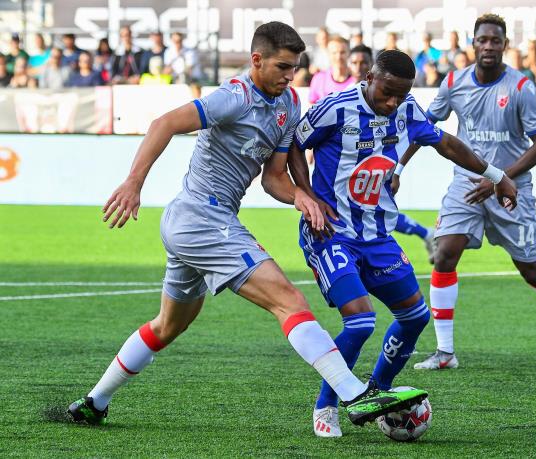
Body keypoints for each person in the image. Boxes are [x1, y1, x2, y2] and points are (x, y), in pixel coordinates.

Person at [66, 21, 427, 428]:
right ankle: (353, 394)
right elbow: (163, 124)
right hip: (201, 217)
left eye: (295, 68)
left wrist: (302, 197)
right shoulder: (233, 97)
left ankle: (95, 401)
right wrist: (134, 183)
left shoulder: (288, 104)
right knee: (289, 300)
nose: (290, 76)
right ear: (257, 60)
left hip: (202, 223)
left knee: (167, 326)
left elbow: (273, 178)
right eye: (282, 67)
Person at [288, 49, 518, 437]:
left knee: (415, 317)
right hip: (331, 233)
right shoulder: (335, 109)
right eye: (387, 93)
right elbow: (296, 143)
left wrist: (497, 175)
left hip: (377, 234)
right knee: (360, 322)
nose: (393, 102)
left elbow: (447, 144)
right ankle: (326, 405)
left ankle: (376, 392)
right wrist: (308, 196)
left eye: (401, 94)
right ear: (369, 78)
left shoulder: (407, 110)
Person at [398, 14, 536, 371]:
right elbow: (424, 127)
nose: (488, 46)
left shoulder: (521, 87)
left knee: (531, 271)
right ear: (473, 44)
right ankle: (445, 353)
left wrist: (501, 178)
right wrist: (398, 168)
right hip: (467, 185)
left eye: (495, 41)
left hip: (511, 189)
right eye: (482, 40)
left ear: (504, 45)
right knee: (444, 253)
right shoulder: (453, 82)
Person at [348, 45, 437, 262]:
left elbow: (423, 134)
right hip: (344, 169)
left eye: (364, 62)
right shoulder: (339, 94)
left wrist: (397, 170)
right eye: (355, 62)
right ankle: (425, 234)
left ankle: (424, 234)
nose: (359, 67)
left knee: (375, 211)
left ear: (371, 67)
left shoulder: (393, 99)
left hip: (374, 169)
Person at [308, 35, 356, 104]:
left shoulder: (357, 80)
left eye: (342, 52)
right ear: (328, 54)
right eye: (334, 53)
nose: (338, 57)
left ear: (349, 53)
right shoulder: (318, 78)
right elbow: (312, 106)